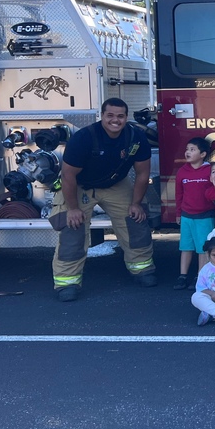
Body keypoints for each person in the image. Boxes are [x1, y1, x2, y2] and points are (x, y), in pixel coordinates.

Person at [49, 97, 155, 302]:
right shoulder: (83, 138)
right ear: (102, 116)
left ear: (126, 117)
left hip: (115, 184)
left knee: (136, 220)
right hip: (80, 185)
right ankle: (67, 282)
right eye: (110, 115)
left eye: (120, 116)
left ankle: (142, 269)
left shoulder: (136, 138)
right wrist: (72, 208)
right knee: (73, 228)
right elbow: (68, 176)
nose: (115, 120)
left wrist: (136, 203)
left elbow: (142, 174)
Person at [174, 137, 215, 290]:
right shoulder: (182, 172)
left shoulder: (209, 170)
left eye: (192, 150)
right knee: (185, 247)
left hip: (205, 216)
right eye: (187, 149)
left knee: (202, 249)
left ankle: (200, 277)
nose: (188, 152)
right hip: (186, 216)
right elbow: (179, 194)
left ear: (203, 154)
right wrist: (179, 213)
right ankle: (182, 276)